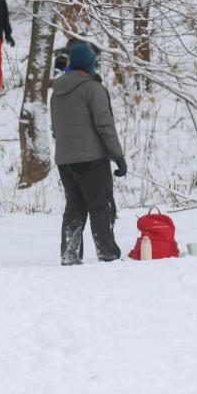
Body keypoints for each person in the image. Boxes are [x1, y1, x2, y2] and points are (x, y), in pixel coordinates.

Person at [49, 43, 126, 264]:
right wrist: (117, 156)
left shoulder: (57, 92)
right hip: (92, 159)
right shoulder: (93, 89)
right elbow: (105, 125)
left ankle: (70, 255)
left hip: (65, 160)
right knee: (101, 205)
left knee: (75, 207)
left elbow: (56, 129)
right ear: (91, 63)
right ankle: (107, 253)